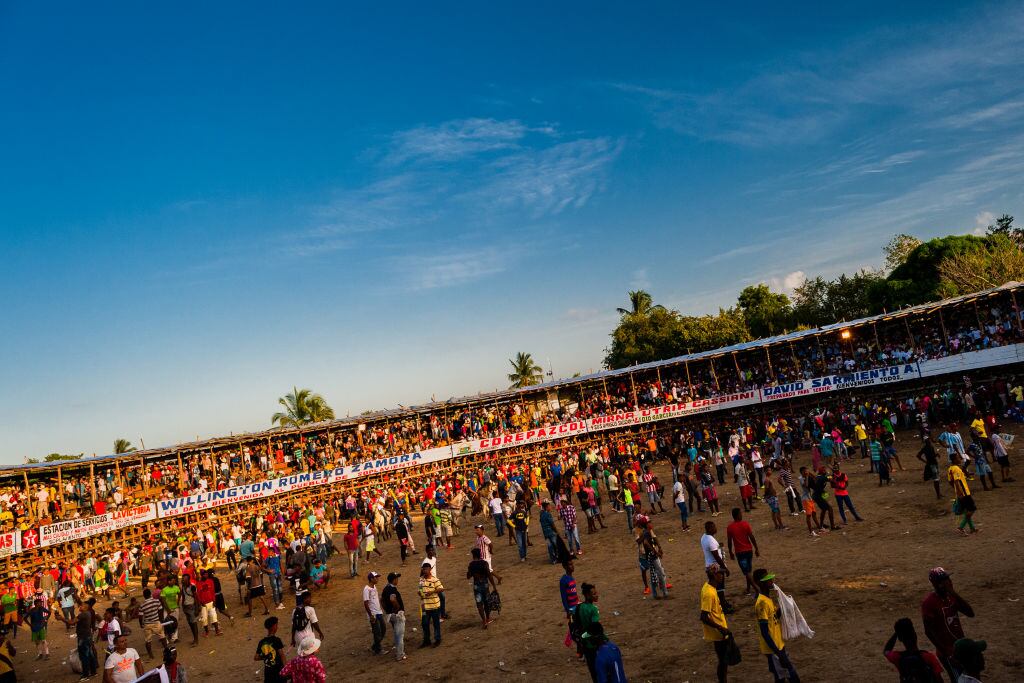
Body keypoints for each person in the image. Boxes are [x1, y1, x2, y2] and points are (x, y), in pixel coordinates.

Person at [922, 567, 975, 681]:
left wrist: (954, 593)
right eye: (946, 579)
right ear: (939, 584)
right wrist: (946, 653)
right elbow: (928, 631)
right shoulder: (929, 603)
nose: (950, 582)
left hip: (960, 648)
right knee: (957, 679)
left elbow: (970, 613)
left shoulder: (951, 596)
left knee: (965, 678)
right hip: (948, 652)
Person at [753, 569, 800, 683]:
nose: (771, 581)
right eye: (767, 580)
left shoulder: (767, 599)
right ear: (760, 583)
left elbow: (773, 618)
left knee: (780, 677)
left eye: (770, 579)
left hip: (778, 644)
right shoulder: (762, 604)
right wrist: (778, 653)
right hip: (773, 648)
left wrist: (784, 607)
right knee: (791, 675)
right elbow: (764, 632)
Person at [882, 617, 943, 682]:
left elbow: (886, 651)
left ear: (900, 638)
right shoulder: (929, 657)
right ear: (915, 635)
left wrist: (897, 633)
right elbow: (939, 680)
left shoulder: (898, 658)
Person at [700, 564, 733, 683]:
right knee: (723, 661)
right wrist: (721, 628)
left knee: (723, 660)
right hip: (718, 633)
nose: (722, 576)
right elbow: (703, 616)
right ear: (714, 575)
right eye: (721, 573)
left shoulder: (710, 587)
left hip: (719, 630)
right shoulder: (709, 593)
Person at [726, 508, 759, 596]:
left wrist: (730, 552)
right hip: (749, 550)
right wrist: (756, 548)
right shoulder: (745, 524)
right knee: (748, 571)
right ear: (737, 515)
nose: (742, 515)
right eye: (740, 513)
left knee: (747, 572)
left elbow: (729, 541)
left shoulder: (730, 527)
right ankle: (749, 589)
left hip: (740, 553)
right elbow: (751, 537)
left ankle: (756, 589)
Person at [701, 521, 732, 613]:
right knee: (720, 588)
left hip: (710, 565)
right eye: (714, 527)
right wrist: (725, 568)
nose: (716, 528)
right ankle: (723, 607)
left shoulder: (704, 537)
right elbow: (716, 556)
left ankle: (723, 603)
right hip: (716, 567)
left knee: (718, 587)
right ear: (710, 529)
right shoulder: (710, 540)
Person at [947, 454, 978, 535]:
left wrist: (956, 490)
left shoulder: (950, 469)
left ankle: (972, 528)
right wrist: (960, 492)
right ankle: (961, 527)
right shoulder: (956, 469)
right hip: (964, 493)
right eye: (958, 458)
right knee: (972, 509)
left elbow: (950, 481)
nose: (960, 459)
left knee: (966, 511)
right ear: (954, 460)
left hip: (960, 493)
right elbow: (956, 482)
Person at [467, 548, 498, 628]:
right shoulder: (484, 563)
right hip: (485, 585)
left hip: (477, 586)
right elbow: (489, 575)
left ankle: (484, 621)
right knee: (486, 603)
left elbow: (468, 576)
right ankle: (488, 618)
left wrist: (472, 572)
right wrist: (494, 586)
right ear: (480, 554)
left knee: (479, 604)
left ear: (473, 555)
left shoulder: (471, 565)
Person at [577, 582, 602, 679]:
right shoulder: (593, 609)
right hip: (594, 643)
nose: (597, 595)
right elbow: (595, 628)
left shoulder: (580, 607)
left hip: (585, 643)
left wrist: (583, 636)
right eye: (594, 594)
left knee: (592, 670)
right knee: (600, 670)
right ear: (587, 595)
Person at [381, 572, 407, 661]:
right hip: (396, 615)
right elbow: (392, 599)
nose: (398, 580)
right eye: (397, 578)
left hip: (390, 615)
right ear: (394, 580)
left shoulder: (385, 589)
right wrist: (397, 609)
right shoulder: (392, 590)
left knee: (396, 634)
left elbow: (382, 601)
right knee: (400, 636)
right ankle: (400, 655)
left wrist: (387, 611)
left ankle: (398, 651)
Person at [418, 562, 443, 648]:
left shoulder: (434, 579)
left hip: (434, 606)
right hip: (425, 606)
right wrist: (420, 593)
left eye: (427, 569)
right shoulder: (421, 579)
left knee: (436, 623)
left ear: (430, 570)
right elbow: (420, 589)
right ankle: (427, 640)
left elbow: (441, 589)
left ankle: (437, 639)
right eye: (424, 569)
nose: (425, 571)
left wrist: (432, 592)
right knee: (424, 624)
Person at [255, 616, 287, 683]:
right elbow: (282, 655)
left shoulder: (262, 642)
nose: (277, 627)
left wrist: (266, 656)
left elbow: (256, 657)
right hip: (278, 670)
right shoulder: (276, 640)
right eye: (277, 625)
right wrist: (286, 668)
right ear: (274, 626)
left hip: (268, 672)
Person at [363, 571, 386, 655]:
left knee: (383, 629)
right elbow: (365, 603)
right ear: (371, 579)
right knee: (377, 632)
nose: (377, 579)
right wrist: (371, 615)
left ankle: (375, 646)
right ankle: (378, 649)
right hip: (373, 614)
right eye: (376, 577)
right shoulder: (366, 589)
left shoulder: (374, 586)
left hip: (378, 612)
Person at [917, 435, 943, 500]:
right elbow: (929, 456)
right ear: (926, 441)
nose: (928, 441)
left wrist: (925, 461)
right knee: (936, 480)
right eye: (927, 440)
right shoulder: (928, 447)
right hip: (932, 465)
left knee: (937, 479)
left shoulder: (928, 447)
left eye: (928, 439)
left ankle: (939, 494)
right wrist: (936, 455)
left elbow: (918, 456)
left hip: (933, 464)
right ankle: (938, 495)